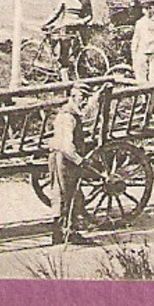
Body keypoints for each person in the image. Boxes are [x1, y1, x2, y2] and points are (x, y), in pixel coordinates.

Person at [47, 83, 96, 246]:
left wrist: (98, 96)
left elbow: (88, 111)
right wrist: (79, 160)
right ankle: (67, 233)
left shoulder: (73, 113)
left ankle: (61, 232)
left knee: (65, 193)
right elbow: (66, 145)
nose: (83, 102)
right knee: (66, 194)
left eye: (86, 98)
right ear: (73, 97)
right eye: (82, 98)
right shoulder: (67, 117)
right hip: (64, 158)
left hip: (61, 156)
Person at [42, 0, 95, 76]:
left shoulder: (85, 0)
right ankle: (63, 74)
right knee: (64, 52)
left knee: (79, 52)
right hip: (66, 29)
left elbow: (90, 16)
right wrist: (46, 23)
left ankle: (80, 73)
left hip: (79, 29)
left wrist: (82, 21)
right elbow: (56, 13)